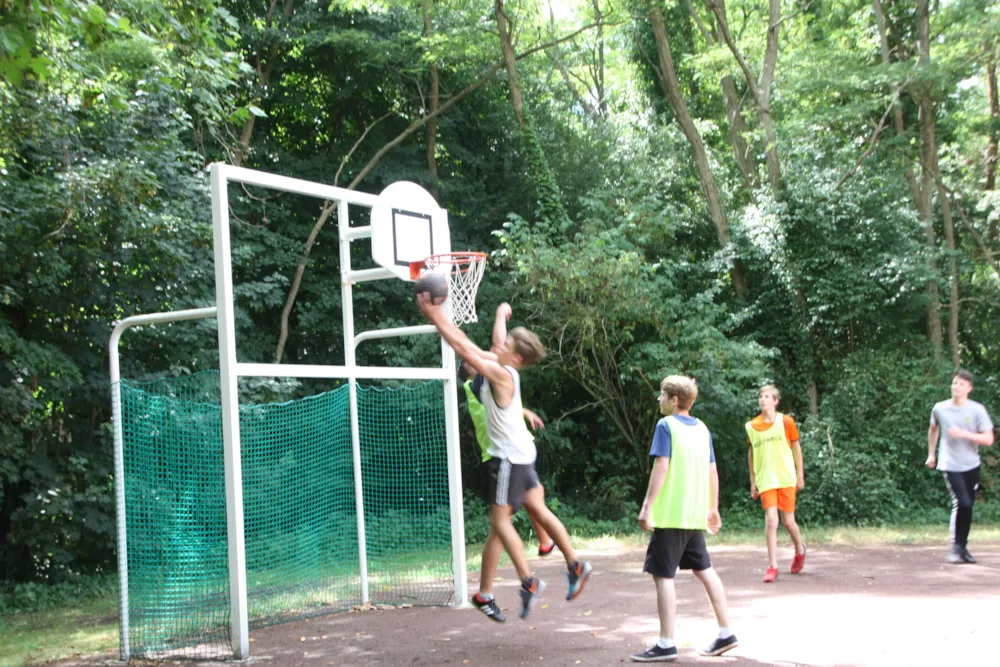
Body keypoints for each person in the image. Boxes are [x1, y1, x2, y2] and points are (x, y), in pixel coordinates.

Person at [416, 294, 591, 622]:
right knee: (537, 510)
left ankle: (528, 581)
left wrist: (435, 314)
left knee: (499, 522)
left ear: (517, 357)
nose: (500, 343)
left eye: (507, 343)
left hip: (508, 459)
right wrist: (500, 315)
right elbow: (488, 344)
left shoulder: (499, 374)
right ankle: (574, 564)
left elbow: (465, 348)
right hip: (523, 453)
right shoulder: (505, 367)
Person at [632, 375, 738, 662]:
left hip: (670, 515)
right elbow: (712, 471)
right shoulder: (702, 428)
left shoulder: (665, 426)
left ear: (674, 399)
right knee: (705, 570)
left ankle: (666, 642)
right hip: (693, 514)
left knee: (663, 575)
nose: (659, 399)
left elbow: (661, 466)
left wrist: (647, 506)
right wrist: (712, 508)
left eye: (662, 395)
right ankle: (726, 631)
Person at [462, 362, 556, 558]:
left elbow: (502, 402)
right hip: (502, 456)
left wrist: (525, 411)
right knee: (502, 524)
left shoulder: (484, 389)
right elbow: (493, 354)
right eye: (467, 363)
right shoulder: (473, 385)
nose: (474, 362)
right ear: (467, 374)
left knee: (531, 499)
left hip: (511, 453)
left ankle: (545, 543)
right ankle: (526, 576)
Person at [926, 369, 994, 564]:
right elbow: (933, 429)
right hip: (949, 462)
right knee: (962, 502)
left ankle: (962, 548)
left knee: (968, 505)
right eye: (955, 383)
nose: (957, 387)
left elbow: (988, 439)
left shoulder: (977, 410)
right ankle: (956, 546)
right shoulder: (940, 408)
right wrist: (931, 454)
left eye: (961, 384)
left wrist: (965, 434)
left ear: (969, 388)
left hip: (971, 464)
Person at [745, 385, 806, 583]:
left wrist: (800, 475)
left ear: (775, 401)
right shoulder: (752, 426)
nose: (762, 399)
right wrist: (753, 481)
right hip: (766, 479)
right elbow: (752, 453)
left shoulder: (786, 422)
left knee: (788, 522)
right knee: (772, 521)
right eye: (760, 396)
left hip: (786, 477)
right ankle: (773, 566)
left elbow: (796, 448)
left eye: (767, 396)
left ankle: (800, 549)